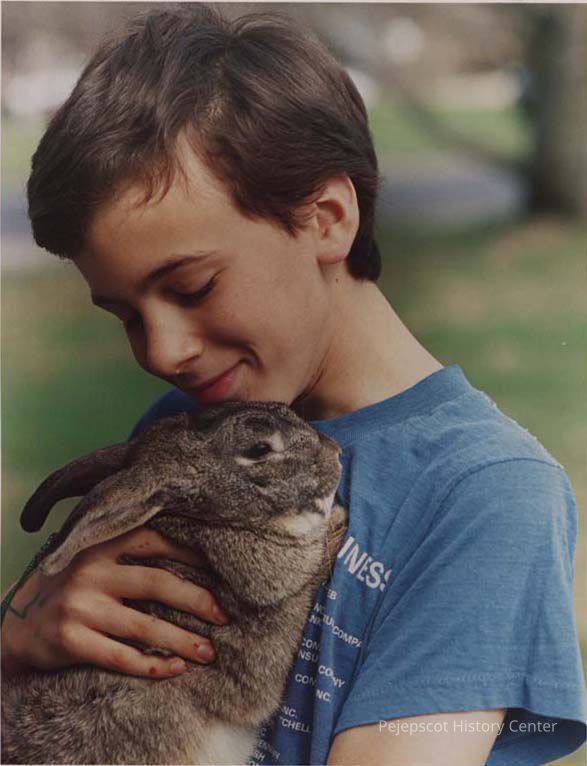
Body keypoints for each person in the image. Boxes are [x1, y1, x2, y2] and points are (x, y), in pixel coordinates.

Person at [2, 6, 585, 765]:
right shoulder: (191, 428)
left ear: (328, 218)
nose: (163, 352)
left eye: (192, 287)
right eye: (126, 315)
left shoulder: (483, 495)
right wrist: (19, 636)